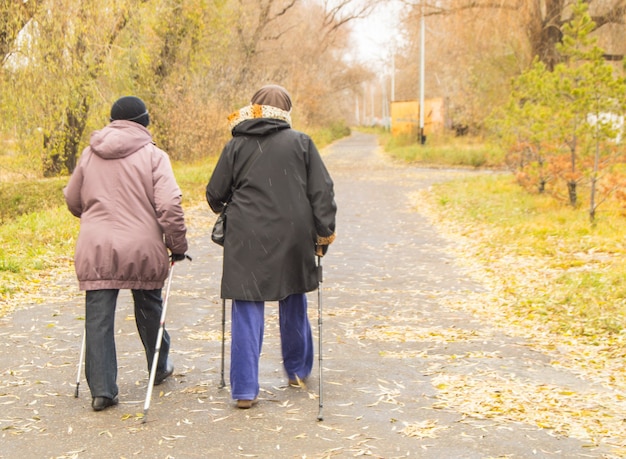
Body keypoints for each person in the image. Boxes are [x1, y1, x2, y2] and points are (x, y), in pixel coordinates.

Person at [206, 84, 337, 409]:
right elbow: (322, 193)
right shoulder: (301, 142)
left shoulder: (236, 144)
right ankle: (296, 371)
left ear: (253, 108)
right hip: (293, 235)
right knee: (292, 299)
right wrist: (323, 236)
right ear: (286, 112)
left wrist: (232, 204)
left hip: (246, 237)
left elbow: (214, 194)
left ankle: (245, 390)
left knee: (247, 308)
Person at [64, 96, 189, 411]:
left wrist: (93, 215)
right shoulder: (154, 156)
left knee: (99, 316)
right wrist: (177, 245)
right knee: (148, 305)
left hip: (96, 247)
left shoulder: (90, 154)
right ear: (144, 122)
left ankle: (103, 391)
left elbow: (72, 198)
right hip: (142, 246)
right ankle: (158, 367)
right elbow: (170, 205)